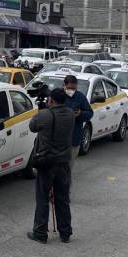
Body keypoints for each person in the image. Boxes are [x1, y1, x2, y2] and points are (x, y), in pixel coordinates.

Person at [28, 88, 75, 244]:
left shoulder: (45, 115)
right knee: (62, 198)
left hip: (47, 162)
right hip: (64, 162)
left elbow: (32, 126)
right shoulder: (70, 114)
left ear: (51, 100)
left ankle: (40, 233)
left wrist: (41, 111)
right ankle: (65, 232)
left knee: (42, 197)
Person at [63, 74, 93, 165]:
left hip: (74, 138)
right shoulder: (58, 96)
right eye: (69, 88)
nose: (71, 91)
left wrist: (81, 114)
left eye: (74, 89)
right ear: (64, 85)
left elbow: (90, 113)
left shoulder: (80, 97)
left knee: (69, 166)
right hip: (59, 139)